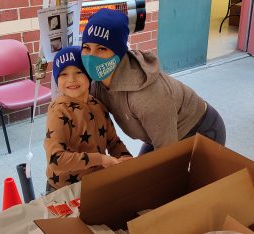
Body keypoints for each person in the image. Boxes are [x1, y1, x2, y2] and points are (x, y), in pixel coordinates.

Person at [81, 8, 226, 155]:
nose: (91, 56)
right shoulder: (96, 85)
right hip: (163, 133)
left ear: (118, 52)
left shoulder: (146, 97)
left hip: (201, 130)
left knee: (178, 177)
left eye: (102, 49)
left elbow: (167, 155)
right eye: (86, 48)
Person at [44, 46, 132, 190]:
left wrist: (126, 159)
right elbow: (55, 159)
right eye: (63, 74)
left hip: (95, 182)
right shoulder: (59, 112)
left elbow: (113, 141)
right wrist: (100, 159)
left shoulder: (98, 104)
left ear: (89, 75)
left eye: (78, 72)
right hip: (64, 189)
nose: (71, 79)